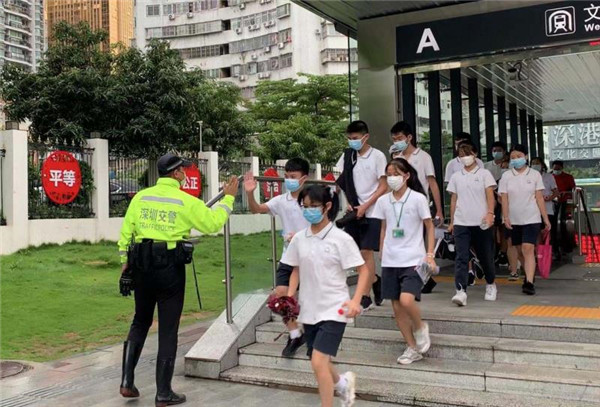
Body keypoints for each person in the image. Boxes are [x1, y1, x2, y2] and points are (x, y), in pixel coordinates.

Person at [117, 153, 239, 406]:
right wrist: (228, 197)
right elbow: (213, 223)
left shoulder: (141, 197)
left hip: (141, 265)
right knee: (168, 327)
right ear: (175, 173)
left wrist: (124, 263)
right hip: (169, 267)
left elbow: (126, 233)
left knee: (140, 320)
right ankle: (163, 393)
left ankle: (127, 382)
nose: (185, 173)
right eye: (183, 169)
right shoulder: (186, 201)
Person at [284, 185, 370, 407]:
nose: (309, 211)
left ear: (327, 206)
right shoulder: (299, 239)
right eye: (305, 206)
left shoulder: (341, 239)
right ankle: (343, 383)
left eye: (314, 206)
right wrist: (289, 298)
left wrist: (356, 300)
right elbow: (295, 270)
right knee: (317, 359)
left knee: (318, 361)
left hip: (335, 309)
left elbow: (364, 271)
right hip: (309, 309)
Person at [243, 158, 310, 357]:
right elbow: (256, 209)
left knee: (310, 299)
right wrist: (250, 193)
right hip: (288, 257)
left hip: (311, 257)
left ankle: (314, 335)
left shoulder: (313, 199)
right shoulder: (281, 200)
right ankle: (295, 334)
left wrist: (301, 236)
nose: (289, 180)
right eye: (287, 176)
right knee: (281, 294)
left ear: (304, 178)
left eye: (293, 177)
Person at [372, 158, 435, 364]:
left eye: (396, 174)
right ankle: (412, 347)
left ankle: (420, 326)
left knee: (407, 300)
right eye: (389, 174)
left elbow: (429, 226)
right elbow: (384, 227)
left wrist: (430, 255)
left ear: (406, 176)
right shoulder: (383, 201)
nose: (392, 178)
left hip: (414, 259)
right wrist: (382, 249)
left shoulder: (417, 199)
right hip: (391, 260)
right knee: (397, 308)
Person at [336, 120, 388, 310]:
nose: (352, 141)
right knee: (356, 254)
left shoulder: (378, 156)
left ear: (366, 137)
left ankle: (365, 296)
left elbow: (383, 185)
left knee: (366, 252)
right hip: (353, 211)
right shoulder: (347, 155)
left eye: (355, 138)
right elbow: (341, 181)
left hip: (372, 211)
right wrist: (349, 203)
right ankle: (374, 280)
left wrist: (366, 205)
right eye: (349, 138)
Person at [447, 143, 497, 306]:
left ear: (475, 154)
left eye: (467, 154)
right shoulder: (456, 176)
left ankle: (490, 283)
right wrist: (452, 221)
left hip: (481, 222)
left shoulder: (484, 174)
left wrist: (490, 213)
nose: (465, 157)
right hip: (462, 222)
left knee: (485, 255)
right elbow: (454, 199)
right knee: (461, 256)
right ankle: (460, 291)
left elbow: (490, 195)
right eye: (461, 155)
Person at [499, 145, 551, 295]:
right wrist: (505, 217)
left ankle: (529, 282)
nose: (516, 159)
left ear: (526, 157)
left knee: (528, 248)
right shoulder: (506, 176)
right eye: (513, 157)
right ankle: (529, 272)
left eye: (519, 156)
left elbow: (539, 198)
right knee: (519, 250)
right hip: (513, 219)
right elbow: (504, 198)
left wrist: (545, 219)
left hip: (531, 217)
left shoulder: (534, 175)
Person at [485, 141, 509, 268]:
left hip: (505, 199)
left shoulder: (509, 166)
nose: (496, 153)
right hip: (490, 199)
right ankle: (493, 251)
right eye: (494, 150)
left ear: (504, 152)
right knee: (492, 227)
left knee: (503, 227)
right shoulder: (486, 166)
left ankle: (503, 252)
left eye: (499, 150)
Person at [531, 158, 560, 250]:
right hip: (533, 209)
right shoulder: (528, 177)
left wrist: (549, 198)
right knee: (537, 231)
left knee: (547, 231)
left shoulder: (549, 176)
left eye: (537, 163)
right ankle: (538, 251)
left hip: (547, 208)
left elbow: (556, 192)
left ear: (542, 165)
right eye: (533, 163)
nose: (535, 165)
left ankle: (548, 251)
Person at [551, 160, 576, 260]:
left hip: (564, 202)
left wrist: (565, 193)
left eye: (558, 168)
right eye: (555, 168)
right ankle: (554, 248)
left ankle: (566, 247)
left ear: (562, 168)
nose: (556, 170)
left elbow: (573, 189)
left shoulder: (568, 177)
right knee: (553, 225)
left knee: (563, 223)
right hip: (552, 202)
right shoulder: (549, 177)